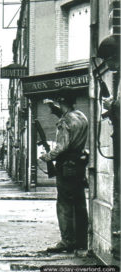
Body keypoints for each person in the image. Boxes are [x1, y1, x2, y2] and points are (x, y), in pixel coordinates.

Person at [40, 87, 89, 252]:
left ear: (61, 101)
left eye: (56, 102)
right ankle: (82, 241)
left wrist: (46, 156)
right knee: (79, 203)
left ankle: (67, 241)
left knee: (64, 204)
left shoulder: (65, 121)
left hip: (66, 165)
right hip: (79, 165)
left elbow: (62, 147)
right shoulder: (82, 117)